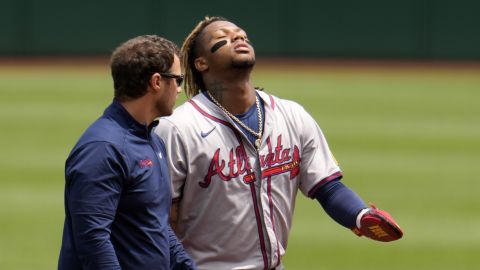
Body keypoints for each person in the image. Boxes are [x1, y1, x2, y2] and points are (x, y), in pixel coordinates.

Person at [155, 17, 403, 270]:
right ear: (201, 63)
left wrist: (360, 216)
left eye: (242, 35)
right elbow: (159, 217)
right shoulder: (178, 128)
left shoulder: (291, 115)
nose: (238, 38)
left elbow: (327, 187)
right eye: (223, 38)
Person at [58, 35, 197, 270]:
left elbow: (156, 224)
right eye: (178, 79)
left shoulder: (152, 140)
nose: (180, 89)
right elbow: (93, 241)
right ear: (156, 82)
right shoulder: (103, 148)